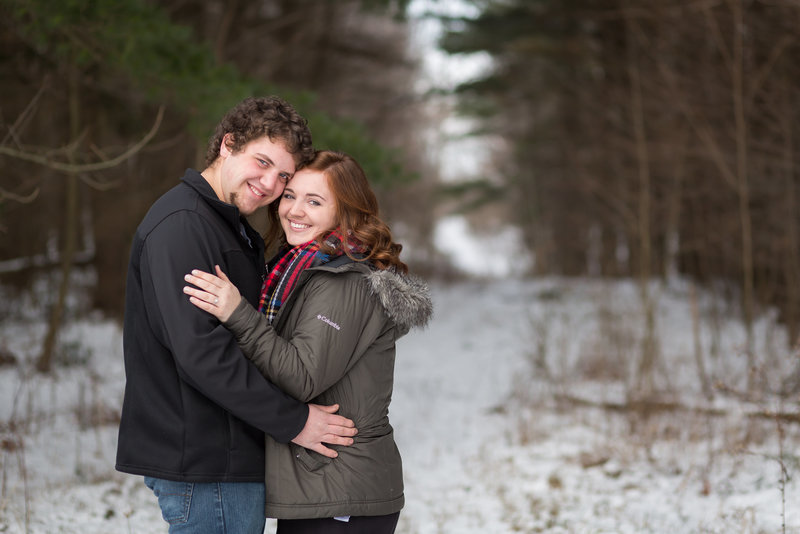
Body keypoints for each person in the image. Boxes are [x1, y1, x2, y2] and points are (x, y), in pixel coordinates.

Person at [116, 97, 358, 534]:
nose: (268, 184)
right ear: (228, 145)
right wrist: (294, 422)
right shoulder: (183, 225)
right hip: (206, 460)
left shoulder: (227, 223)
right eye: (261, 162)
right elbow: (203, 353)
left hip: (228, 452)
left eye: (282, 176)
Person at [183, 150, 433, 533]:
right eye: (290, 196)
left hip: (341, 490)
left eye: (314, 201)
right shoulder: (300, 268)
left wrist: (238, 314)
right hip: (321, 485)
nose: (294, 211)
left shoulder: (345, 282)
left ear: (346, 212)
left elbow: (301, 375)